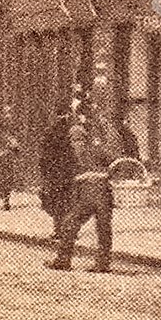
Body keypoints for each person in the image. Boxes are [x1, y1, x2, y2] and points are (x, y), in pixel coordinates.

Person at [46, 101, 121, 273]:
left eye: (78, 139)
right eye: (74, 140)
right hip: (97, 194)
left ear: (83, 139)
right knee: (96, 228)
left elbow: (114, 162)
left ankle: (68, 261)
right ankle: (97, 263)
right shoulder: (87, 151)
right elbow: (115, 162)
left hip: (92, 194)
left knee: (77, 225)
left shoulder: (80, 152)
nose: (76, 143)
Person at [39, 101, 77, 244]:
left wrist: (45, 172)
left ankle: (58, 230)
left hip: (55, 173)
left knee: (56, 202)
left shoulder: (50, 132)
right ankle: (68, 230)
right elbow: (72, 155)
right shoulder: (70, 132)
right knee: (68, 202)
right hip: (66, 173)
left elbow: (44, 156)